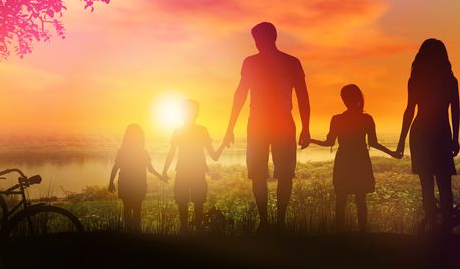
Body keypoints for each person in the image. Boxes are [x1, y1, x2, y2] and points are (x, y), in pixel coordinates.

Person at [221, 22, 310, 232]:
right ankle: (269, 222)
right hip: (267, 122)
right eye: (255, 39)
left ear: (269, 38)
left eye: (258, 39)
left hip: (271, 122)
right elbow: (240, 94)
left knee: (280, 173)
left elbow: (303, 97)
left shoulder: (283, 62)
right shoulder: (278, 62)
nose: (257, 43)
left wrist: (306, 128)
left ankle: (276, 222)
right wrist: (229, 127)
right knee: (262, 173)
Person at [310, 84, 400, 232]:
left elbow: (329, 142)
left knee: (342, 199)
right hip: (360, 159)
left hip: (344, 160)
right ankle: (362, 234)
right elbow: (373, 143)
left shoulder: (337, 119)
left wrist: (311, 140)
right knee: (360, 199)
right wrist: (392, 153)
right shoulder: (366, 118)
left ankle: (341, 235)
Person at [396, 38, 460, 232]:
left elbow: (409, 111)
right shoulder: (449, 80)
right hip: (441, 132)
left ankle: (433, 226)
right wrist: (455, 138)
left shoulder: (416, 79)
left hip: (421, 133)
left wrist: (401, 143)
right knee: (444, 183)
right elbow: (455, 111)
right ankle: (446, 228)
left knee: (427, 184)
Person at [162, 99, 221, 234]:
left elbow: (171, 153)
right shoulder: (202, 130)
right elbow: (215, 156)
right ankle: (197, 229)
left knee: (183, 202)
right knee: (197, 202)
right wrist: (223, 144)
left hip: (183, 171)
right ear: (197, 113)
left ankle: (184, 230)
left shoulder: (178, 131)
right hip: (197, 171)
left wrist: (165, 170)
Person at [108, 124, 163, 233]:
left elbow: (116, 167)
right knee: (137, 209)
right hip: (139, 185)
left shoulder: (123, 151)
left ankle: (129, 234)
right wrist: (160, 176)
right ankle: (137, 234)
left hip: (126, 184)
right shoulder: (142, 152)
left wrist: (111, 182)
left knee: (127, 209)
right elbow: (150, 169)